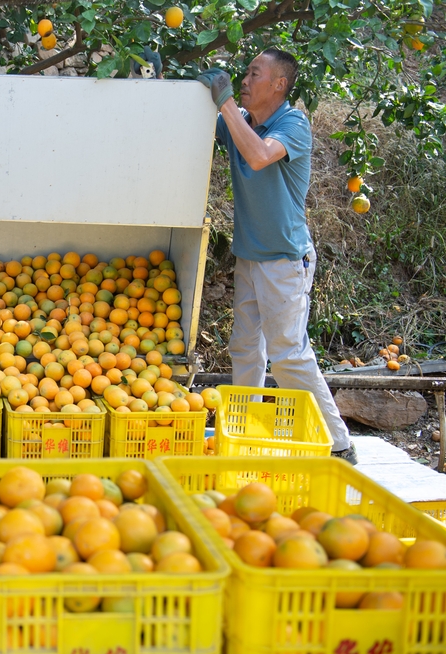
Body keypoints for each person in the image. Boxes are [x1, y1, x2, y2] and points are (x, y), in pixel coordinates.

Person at [196, 48, 357, 464]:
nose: (244, 80)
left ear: (279, 84)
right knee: (245, 348)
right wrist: (163, 83)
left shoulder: (292, 124)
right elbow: (196, 122)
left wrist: (224, 103)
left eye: (255, 74)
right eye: (245, 73)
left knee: (288, 354)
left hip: (284, 260)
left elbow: (259, 156)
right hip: (250, 256)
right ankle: (243, 430)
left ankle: (338, 444)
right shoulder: (241, 121)